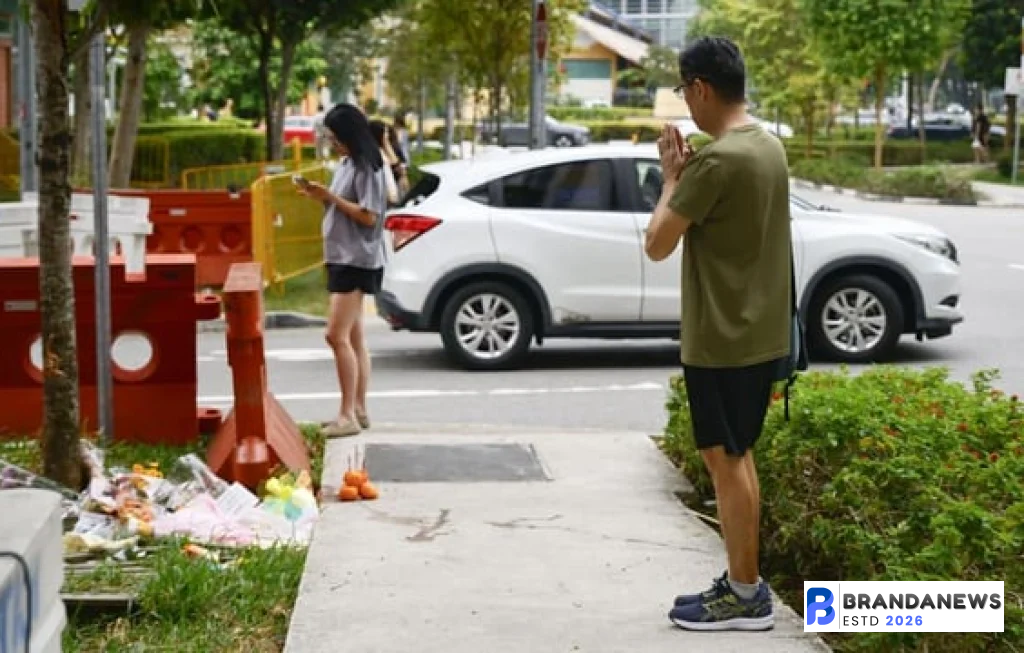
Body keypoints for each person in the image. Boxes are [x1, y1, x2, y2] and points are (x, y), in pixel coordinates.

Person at [643, 36, 791, 632]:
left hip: (722, 337)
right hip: (759, 331)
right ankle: (741, 584)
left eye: (685, 92)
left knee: (724, 460)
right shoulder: (767, 146)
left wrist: (672, 178)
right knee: (735, 456)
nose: (687, 105)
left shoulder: (717, 161)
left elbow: (656, 244)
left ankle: (745, 595)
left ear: (701, 87)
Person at [296, 103, 388, 438]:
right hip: (341, 253)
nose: (333, 144)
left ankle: (347, 414)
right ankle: (358, 409)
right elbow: (344, 204)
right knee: (353, 336)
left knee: (335, 335)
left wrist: (331, 198)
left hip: (356, 257)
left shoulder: (369, 167)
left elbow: (369, 216)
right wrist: (320, 196)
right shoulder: (348, 163)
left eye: (336, 138)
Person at [368, 119, 401, 206]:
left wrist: (386, 144)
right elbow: (395, 167)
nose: (387, 135)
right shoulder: (378, 155)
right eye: (385, 132)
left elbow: (395, 164)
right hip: (386, 201)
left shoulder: (382, 151)